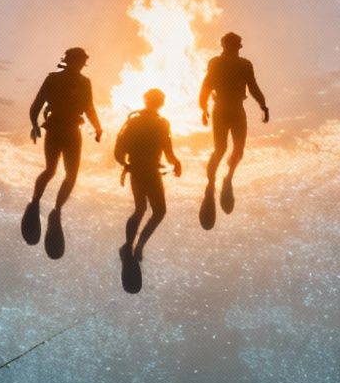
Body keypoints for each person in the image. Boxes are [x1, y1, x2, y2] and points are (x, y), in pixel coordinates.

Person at [21, 46, 102, 259]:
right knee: (52, 170)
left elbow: (89, 108)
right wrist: (35, 124)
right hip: (59, 129)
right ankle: (39, 202)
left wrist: (98, 127)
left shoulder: (81, 83)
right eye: (79, 61)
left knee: (68, 175)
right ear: (73, 61)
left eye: (81, 62)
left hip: (67, 130)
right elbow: (36, 105)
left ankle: (54, 210)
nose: (80, 65)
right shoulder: (58, 80)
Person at [196, 31, 269, 229]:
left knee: (238, 149)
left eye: (234, 45)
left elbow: (253, 87)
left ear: (237, 47)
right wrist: (203, 108)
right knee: (220, 149)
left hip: (235, 109)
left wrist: (263, 105)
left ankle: (227, 179)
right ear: (225, 45)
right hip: (222, 108)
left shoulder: (245, 65)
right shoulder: (216, 63)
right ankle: (211, 186)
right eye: (230, 44)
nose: (231, 48)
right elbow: (206, 85)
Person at [114, 89, 182, 294]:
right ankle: (130, 246)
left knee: (154, 211)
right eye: (156, 100)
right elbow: (119, 150)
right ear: (150, 101)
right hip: (141, 171)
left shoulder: (162, 123)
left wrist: (175, 162)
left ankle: (136, 246)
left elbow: (167, 150)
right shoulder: (135, 122)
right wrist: (127, 165)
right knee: (142, 209)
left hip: (151, 171)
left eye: (159, 101)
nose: (157, 103)